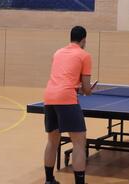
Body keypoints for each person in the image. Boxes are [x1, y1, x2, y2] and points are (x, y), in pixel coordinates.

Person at [43, 26, 93, 184]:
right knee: (79, 142)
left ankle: (49, 180)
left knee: (52, 141)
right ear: (83, 40)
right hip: (66, 99)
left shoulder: (57, 53)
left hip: (49, 96)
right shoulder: (85, 55)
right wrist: (89, 90)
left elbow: (63, 75)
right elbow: (85, 89)